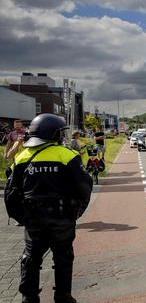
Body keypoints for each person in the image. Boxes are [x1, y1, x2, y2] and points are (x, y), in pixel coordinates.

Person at [5, 113, 93, 302]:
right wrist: (75, 212)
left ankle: (29, 298)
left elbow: (11, 193)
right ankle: (63, 296)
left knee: (30, 258)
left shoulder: (22, 157)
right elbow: (84, 188)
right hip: (61, 219)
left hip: (33, 220)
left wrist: (22, 217)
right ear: (55, 134)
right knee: (63, 258)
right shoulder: (67, 156)